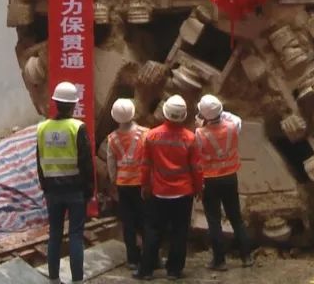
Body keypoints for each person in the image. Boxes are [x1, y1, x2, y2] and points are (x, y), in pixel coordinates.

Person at [134, 95, 203, 281]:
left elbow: (145, 165)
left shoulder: (151, 136)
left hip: (159, 192)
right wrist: (198, 188)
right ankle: (174, 270)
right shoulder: (190, 138)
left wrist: (144, 185)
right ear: (183, 116)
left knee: (153, 231)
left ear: (165, 113)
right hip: (183, 193)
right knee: (179, 232)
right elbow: (196, 168)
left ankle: (146, 270)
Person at [36, 82, 93, 284]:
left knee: (55, 235)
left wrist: (45, 187)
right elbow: (86, 162)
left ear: (55, 103)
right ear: (73, 105)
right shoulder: (77, 127)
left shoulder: (42, 128)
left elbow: (39, 161)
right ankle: (77, 280)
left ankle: (53, 279)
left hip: (52, 191)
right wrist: (89, 190)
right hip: (75, 190)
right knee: (76, 235)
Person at [195, 94, 253, 270]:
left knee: (214, 220)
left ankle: (219, 261)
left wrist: (202, 123)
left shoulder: (200, 133)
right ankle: (247, 256)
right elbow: (234, 118)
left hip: (210, 180)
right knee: (236, 218)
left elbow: (197, 152)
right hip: (230, 176)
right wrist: (217, 113)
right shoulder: (233, 126)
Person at [107, 98, 148, 270]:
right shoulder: (146, 133)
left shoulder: (112, 138)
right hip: (142, 184)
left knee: (128, 223)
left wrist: (113, 181)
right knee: (145, 221)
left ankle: (132, 259)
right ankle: (149, 256)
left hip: (123, 185)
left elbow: (111, 164)